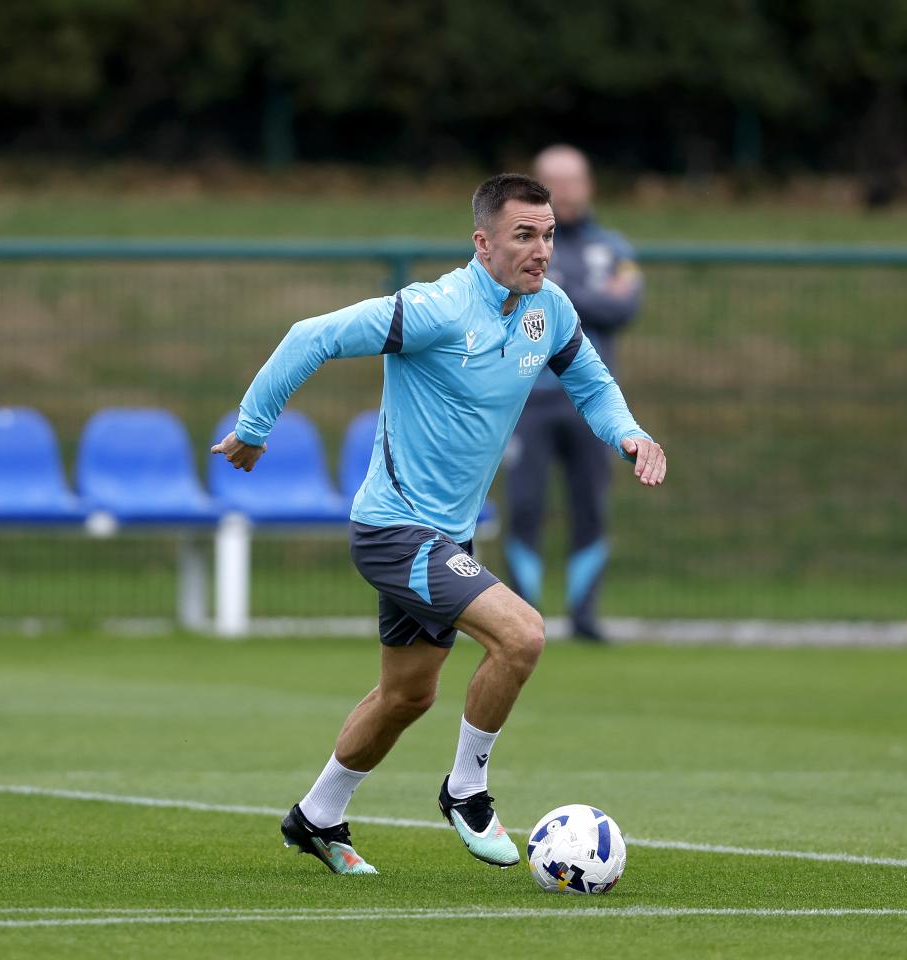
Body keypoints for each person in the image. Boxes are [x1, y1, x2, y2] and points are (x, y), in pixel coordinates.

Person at [212, 173, 666, 876]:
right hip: (394, 531)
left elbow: (589, 382)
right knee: (522, 635)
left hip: (446, 536)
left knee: (407, 695)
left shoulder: (550, 311)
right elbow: (313, 335)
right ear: (483, 244)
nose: (541, 249)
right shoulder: (436, 309)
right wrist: (253, 426)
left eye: (547, 234)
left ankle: (316, 816)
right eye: (524, 235)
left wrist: (629, 434)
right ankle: (466, 789)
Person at [504, 146, 643, 642]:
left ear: (589, 185)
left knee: (591, 507)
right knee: (523, 506)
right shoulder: (520, 244)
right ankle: (520, 618)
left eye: (572, 181)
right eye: (552, 182)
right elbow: (517, 297)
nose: (563, 192)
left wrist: (558, 290)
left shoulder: (614, 249)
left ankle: (584, 616)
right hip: (528, 401)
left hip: (589, 404)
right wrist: (588, 296)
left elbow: (624, 307)